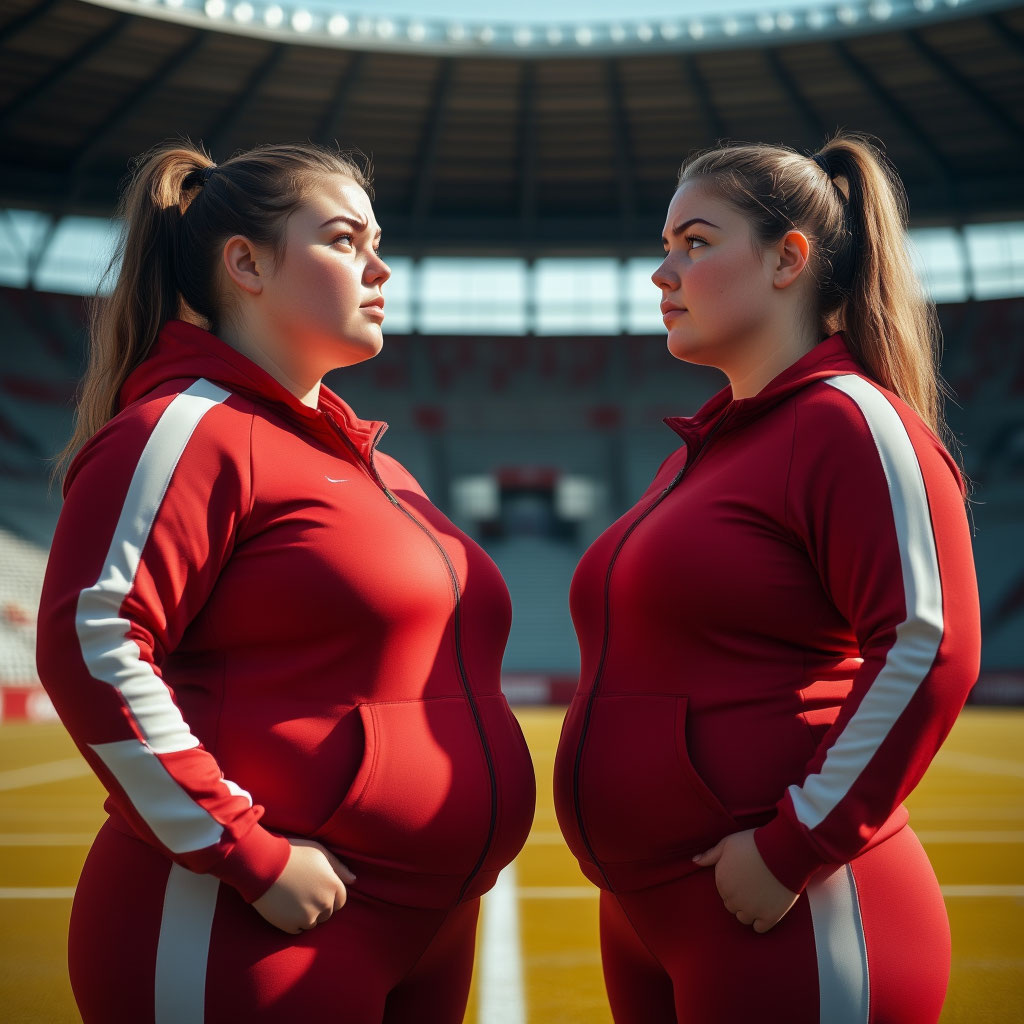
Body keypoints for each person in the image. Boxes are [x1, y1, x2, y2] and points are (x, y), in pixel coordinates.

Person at [36, 141, 536, 1024]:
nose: (381, 268)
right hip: (246, 926)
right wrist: (245, 853)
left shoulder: (376, 466)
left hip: (425, 925)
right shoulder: (185, 428)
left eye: (377, 242)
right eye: (345, 240)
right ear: (247, 264)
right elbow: (94, 639)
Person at [553, 133, 981, 1023]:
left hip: (793, 909)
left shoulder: (850, 421)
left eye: (695, 243)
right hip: (649, 914)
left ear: (789, 259)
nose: (662, 273)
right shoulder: (701, 453)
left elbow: (928, 641)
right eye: (665, 246)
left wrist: (796, 846)